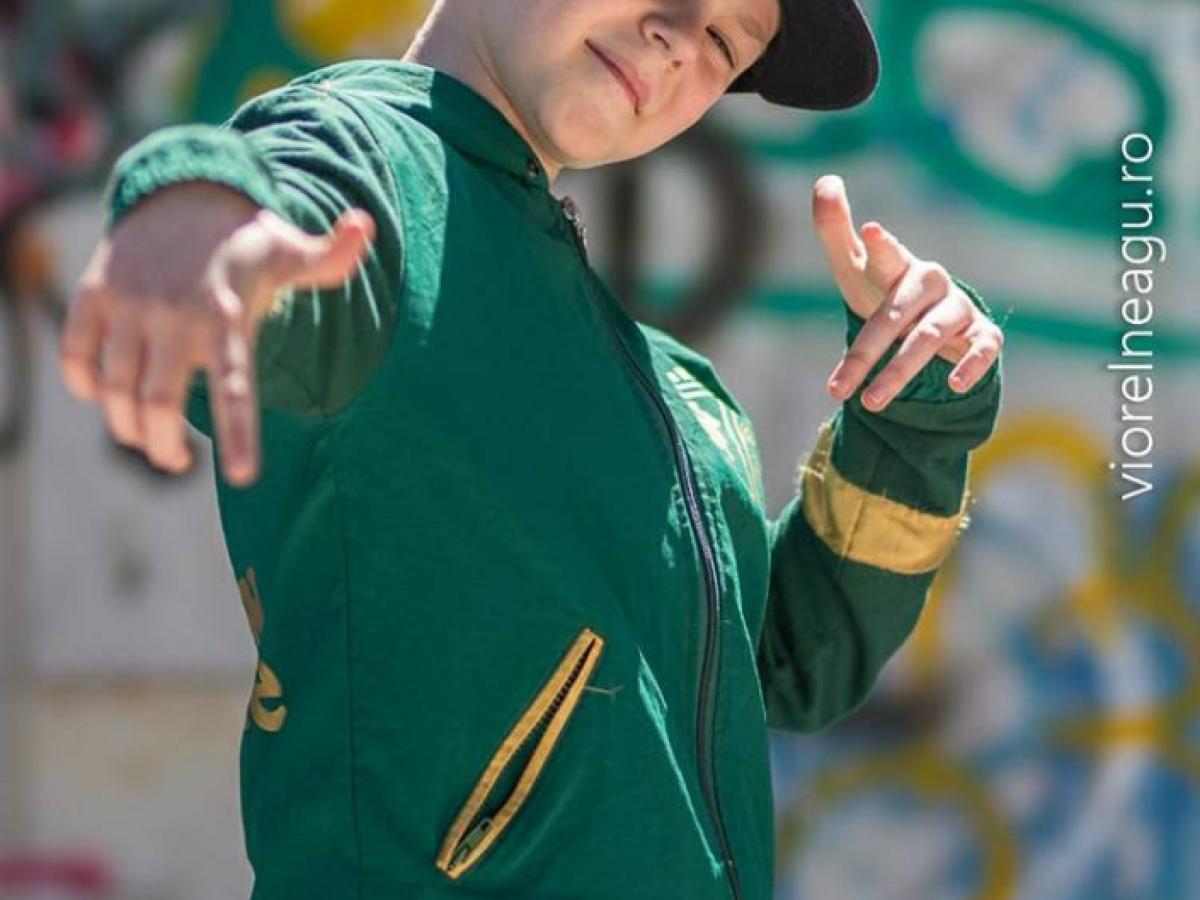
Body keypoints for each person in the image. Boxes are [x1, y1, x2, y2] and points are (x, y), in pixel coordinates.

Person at [58, 0, 1004, 897]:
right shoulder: (379, 176)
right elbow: (279, 208)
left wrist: (916, 404)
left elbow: (792, 665)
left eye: (727, 43)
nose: (681, 37)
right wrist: (192, 205)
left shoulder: (676, 393)